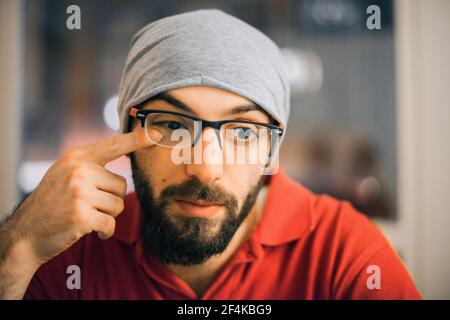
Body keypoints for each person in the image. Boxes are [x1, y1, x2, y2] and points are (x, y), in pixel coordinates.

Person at [0, 9, 420, 299]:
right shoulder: (69, 248)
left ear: (272, 146)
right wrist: (18, 243)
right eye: (172, 125)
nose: (204, 168)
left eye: (241, 131)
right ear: (128, 132)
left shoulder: (341, 253)